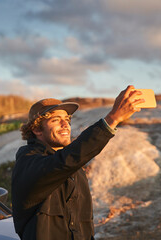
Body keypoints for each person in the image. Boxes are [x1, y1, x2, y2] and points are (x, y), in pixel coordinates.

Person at [11, 85, 144, 240]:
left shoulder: (74, 168)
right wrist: (112, 119)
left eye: (67, 119)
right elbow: (64, 161)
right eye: (56, 120)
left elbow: (84, 223)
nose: (65, 125)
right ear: (37, 129)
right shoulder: (28, 162)